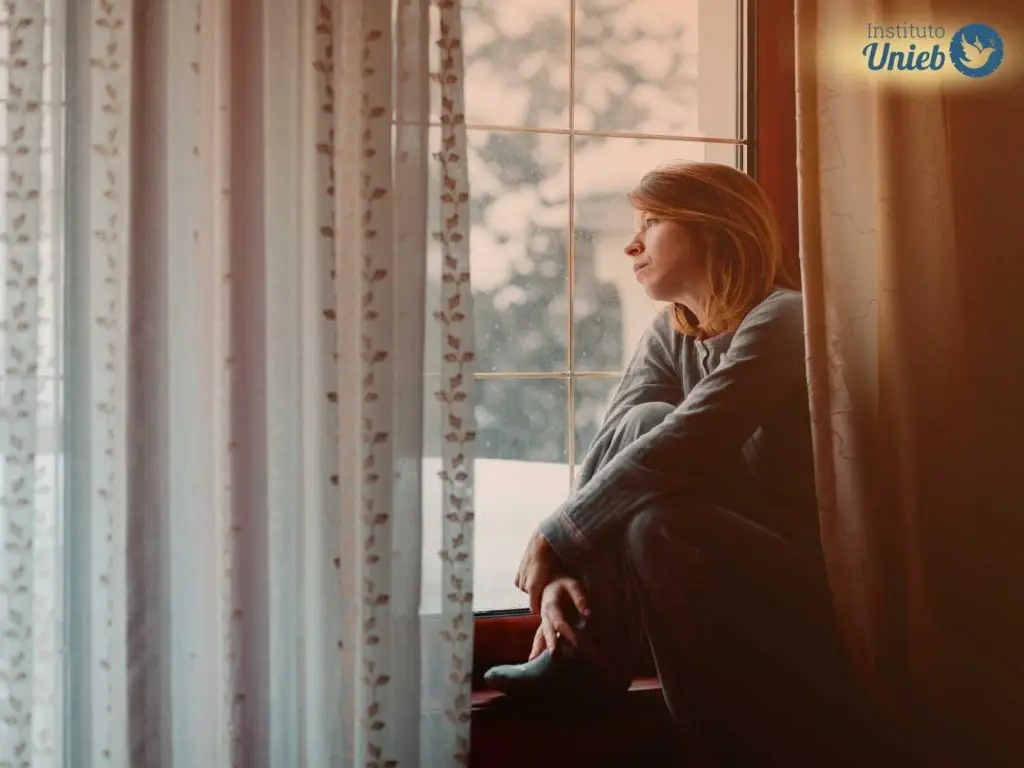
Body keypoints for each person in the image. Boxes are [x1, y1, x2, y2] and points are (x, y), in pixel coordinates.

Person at [483, 162, 856, 764]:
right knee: (639, 436)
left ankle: (611, 684)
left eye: (651, 222)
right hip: (688, 565)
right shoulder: (671, 333)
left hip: (794, 584)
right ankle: (587, 659)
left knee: (654, 451)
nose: (632, 244)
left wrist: (555, 537)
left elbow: (693, 438)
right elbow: (612, 457)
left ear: (717, 230)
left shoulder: (787, 317)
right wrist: (557, 573)